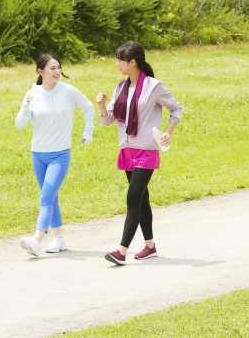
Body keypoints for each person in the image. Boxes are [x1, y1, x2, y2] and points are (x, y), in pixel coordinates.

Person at [96, 41, 182, 265]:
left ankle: (121, 251)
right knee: (142, 199)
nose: (117, 64)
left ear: (132, 62)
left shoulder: (154, 86)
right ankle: (150, 246)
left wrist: (168, 133)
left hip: (146, 151)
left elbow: (176, 108)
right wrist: (102, 106)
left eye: (120, 60)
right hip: (127, 150)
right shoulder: (120, 87)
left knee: (133, 197)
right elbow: (108, 121)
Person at [15, 53, 94, 257]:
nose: (57, 72)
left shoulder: (68, 91)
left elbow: (88, 107)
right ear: (40, 72)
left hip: (59, 154)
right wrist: (25, 106)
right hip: (38, 154)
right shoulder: (32, 93)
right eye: (52, 68)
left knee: (46, 197)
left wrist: (87, 132)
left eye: (59, 67)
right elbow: (20, 124)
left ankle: (37, 239)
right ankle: (59, 238)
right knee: (51, 196)